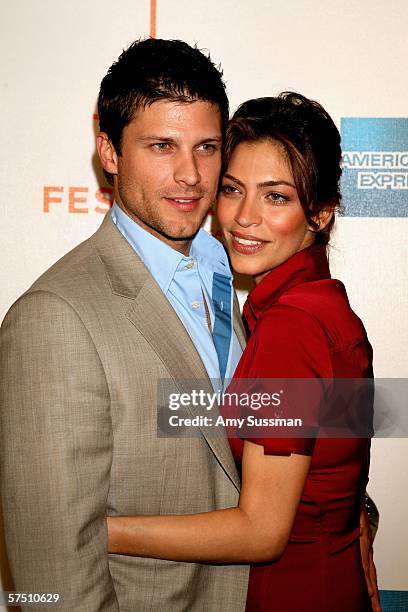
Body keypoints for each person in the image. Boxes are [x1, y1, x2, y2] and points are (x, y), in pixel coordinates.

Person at [105, 93, 381, 611]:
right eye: (232, 190)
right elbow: (333, 451)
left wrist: (98, 531)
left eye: (276, 197)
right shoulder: (321, 304)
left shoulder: (293, 327)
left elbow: (261, 533)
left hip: (290, 593)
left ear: (319, 212)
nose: (243, 218)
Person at [0, 39, 249, 611]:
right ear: (109, 153)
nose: (190, 174)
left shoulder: (221, 270)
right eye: (162, 146)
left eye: (206, 147)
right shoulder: (54, 321)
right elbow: (54, 580)